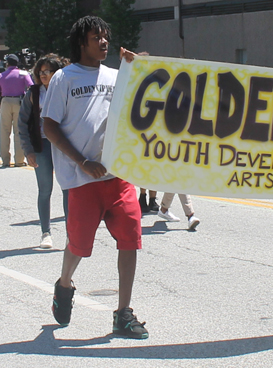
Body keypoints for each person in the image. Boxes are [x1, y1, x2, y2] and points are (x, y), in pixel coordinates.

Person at [42, 16, 148, 339]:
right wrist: (82, 161)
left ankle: (123, 313)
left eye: (105, 37)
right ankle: (64, 284)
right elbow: (49, 125)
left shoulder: (117, 76)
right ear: (81, 43)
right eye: (96, 37)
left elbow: (142, 101)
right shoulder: (64, 78)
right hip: (83, 179)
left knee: (130, 237)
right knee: (79, 245)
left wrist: (140, 68)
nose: (103, 42)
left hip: (118, 177)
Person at [18, 54, 69, 248]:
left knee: (68, 188)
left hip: (62, 145)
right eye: (41, 72)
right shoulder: (34, 93)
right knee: (45, 189)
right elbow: (22, 123)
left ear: (57, 72)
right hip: (42, 145)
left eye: (48, 71)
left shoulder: (65, 88)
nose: (44, 75)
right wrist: (28, 150)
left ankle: (70, 233)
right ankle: (45, 233)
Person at [0, 54, 34, 167]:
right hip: (19, 102)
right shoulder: (23, 73)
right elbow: (31, 86)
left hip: (5, 102)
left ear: (7, 63)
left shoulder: (1, 75)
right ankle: (19, 160)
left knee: (4, 132)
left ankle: (5, 160)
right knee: (19, 131)